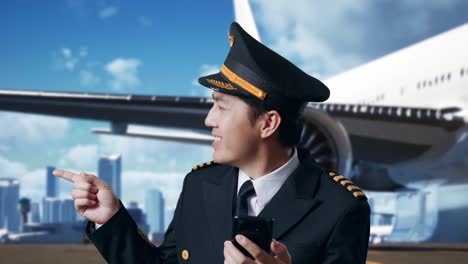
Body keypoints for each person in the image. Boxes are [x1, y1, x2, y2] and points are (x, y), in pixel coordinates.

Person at [54, 22, 370, 263]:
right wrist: (111, 219)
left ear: (268, 123)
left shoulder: (340, 207)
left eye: (221, 106)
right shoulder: (199, 184)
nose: (209, 120)